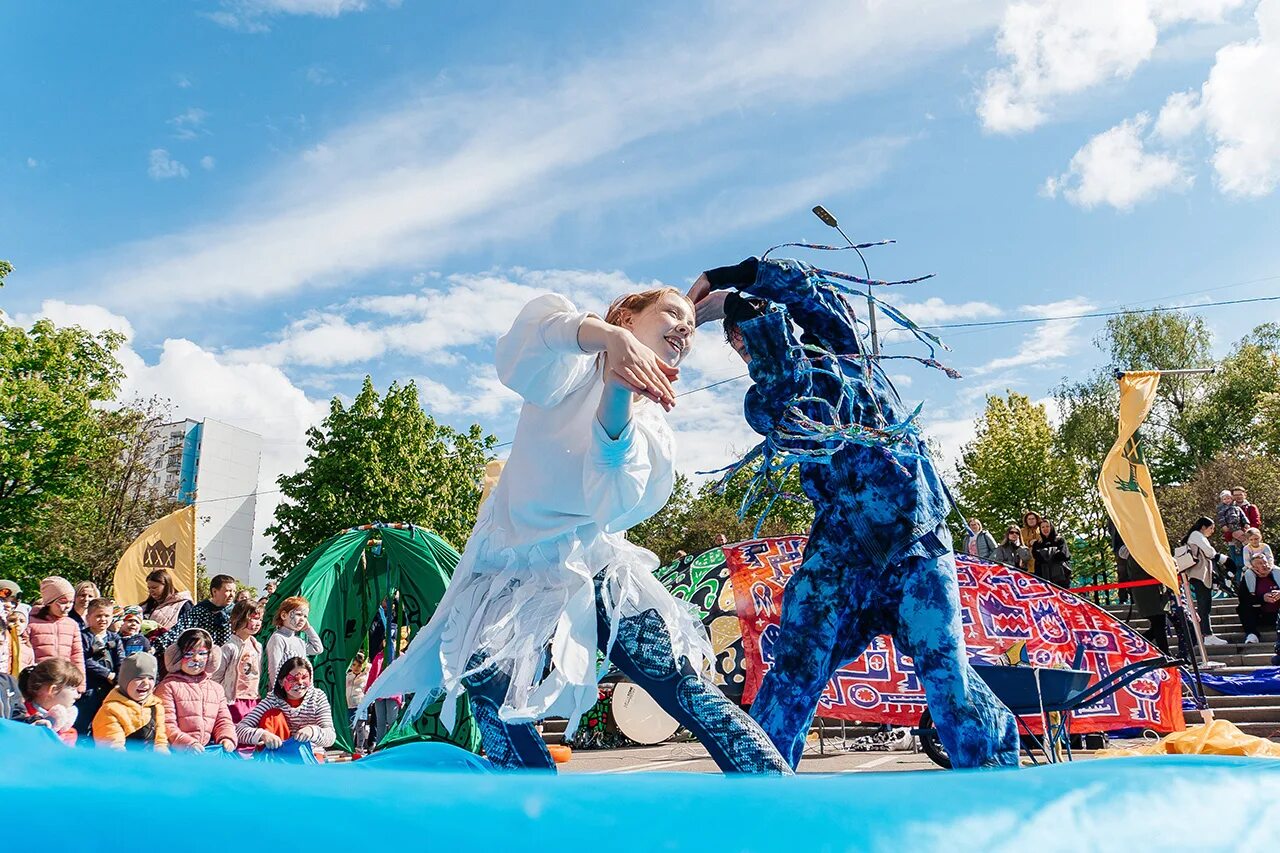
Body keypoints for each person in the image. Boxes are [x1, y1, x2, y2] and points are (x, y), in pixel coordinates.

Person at [359, 285, 791, 775]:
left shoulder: (652, 423)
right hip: (512, 569)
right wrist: (608, 340)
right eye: (672, 313)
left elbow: (611, 500)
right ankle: (533, 799)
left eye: (691, 327)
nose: (685, 329)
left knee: (678, 683)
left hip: (596, 569)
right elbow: (529, 342)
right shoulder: (570, 363)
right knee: (487, 686)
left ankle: (775, 788)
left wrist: (619, 392)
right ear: (626, 316)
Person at [689, 256, 1017, 770]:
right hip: (842, 554)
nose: (741, 348)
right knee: (796, 668)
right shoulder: (769, 402)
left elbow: (812, 293)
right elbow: (788, 389)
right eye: (736, 343)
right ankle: (762, 787)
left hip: (914, 542)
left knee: (946, 670)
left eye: (743, 338)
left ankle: (992, 774)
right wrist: (743, 314)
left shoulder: (846, 354)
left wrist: (733, 278)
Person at [237, 656, 336, 758]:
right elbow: (239, 730)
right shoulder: (272, 700)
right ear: (281, 682)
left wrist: (312, 731)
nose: (300, 683)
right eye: (292, 679)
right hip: (279, 755)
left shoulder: (318, 698)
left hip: (310, 754)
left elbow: (331, 736)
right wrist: (263, 735)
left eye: (304, 678)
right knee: (273, 715)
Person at [155, 628, 236, 752]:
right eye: (189, 653)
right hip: (176, 754)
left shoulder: (216, 689)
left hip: (205, 752)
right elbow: (165, 723)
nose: (196, 658)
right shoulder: (168, 686)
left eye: (202, 653)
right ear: (177, 656)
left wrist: (227, 737)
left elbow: (223, 720)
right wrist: (187, 743)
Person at [92, 652, 168, 752]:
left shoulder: (156, 707)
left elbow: (160, 742)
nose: (146, 683)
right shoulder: (110, 711)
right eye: (139, 678)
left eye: (150, 678)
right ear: (125, 681)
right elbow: (113, 748)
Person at [75, 597, 125, 736]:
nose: (103, 619)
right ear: (88, 617)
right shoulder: (83, 637)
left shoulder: (114, 638)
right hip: (89, 687)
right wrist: (107, 674)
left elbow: (121, 659)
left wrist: (119, 677)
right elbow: (85, 660)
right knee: (83, 723)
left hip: (110, 687)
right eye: (98, 616)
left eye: (107, 616)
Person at [154, 573, 237, 653]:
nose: (232, 595)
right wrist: (156, 646)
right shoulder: (200, 611)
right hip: (202, 656)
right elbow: (179, 629)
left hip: (231, 657)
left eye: (234, 591)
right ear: (214, 591)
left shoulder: (237, 612)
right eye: (228, 591)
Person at [1180, 516, 1231, 646]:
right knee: (1204, 604)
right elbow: (1210, 552)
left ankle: (1206, 634)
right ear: (1203, 527)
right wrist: (1223, 559)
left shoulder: (1193, 535)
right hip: (1200, 574)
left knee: (1204, 604)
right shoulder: (1197, 535)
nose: (1212, 531)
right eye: (1211, 528)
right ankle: (1207, 634)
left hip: (1199, 573)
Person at [26, 576, 85, 680]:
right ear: (49, 602)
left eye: (71, 602)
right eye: (63, 602)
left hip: (64, 680)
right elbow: (23, 656)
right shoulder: (30, 622)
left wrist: (80, 683)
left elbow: (77, 657)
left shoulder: (72, 625)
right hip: (37, 681)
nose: (68, 606)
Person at [216, 600, 264, 722]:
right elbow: (217, 677)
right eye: (254, 618)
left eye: (260, 619)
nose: (258, 623)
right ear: (239, 618)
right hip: (234, 700)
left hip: (253, 698)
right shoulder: (229, 647)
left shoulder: (257, 646)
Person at [18, 658, 83, 745]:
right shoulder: (22, 718)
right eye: (73, 689)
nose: (77, 695)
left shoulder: (67, 729)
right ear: (53, 690)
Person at [265, 596, 324, 688]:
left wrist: (308, 629)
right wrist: (278, 690)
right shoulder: (278, 638)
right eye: (299, 614)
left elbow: (318, 649)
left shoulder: (299, 641)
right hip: (285, 690)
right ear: (284, 615)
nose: (302, 619)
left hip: (301, 689)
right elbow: (274, 668)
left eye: (305, 616)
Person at [1237, 555, 1280, 647]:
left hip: (1277, 613)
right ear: (1253, 567)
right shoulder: (1248, 578)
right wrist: (1262, 598)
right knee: (1243, 608)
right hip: (1261, 614)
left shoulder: (1277, 573)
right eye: (1260, 564)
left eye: (1265, 562)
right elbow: (1243, 599)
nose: (1264, 565)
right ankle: (1252, 634)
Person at [141, 569, 193, 637]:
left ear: (166, 586)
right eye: (149, 588)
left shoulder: (183, 605)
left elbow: (188, 630)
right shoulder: (146, 606)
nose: (151, 591)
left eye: (154, 587)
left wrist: (162, 630)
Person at [1031, 521, 1071, 588]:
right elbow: (1037, 557)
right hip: (1042, 578)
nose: (1045, 529)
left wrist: (1044, 553)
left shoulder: (1060, 540)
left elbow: (1063, 555)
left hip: (1061, 578)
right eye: (1043, 527)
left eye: (1047, 526)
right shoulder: (1037, 544)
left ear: (1051, 527)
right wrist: (1053, 552)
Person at [5, 609, 34, 676]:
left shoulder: (27, 647)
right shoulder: (3, 644)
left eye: (22, 621)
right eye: (12, 620)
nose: (17, 624)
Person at [346, 651, 368, 725]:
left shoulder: (365, 676)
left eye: (359, 665)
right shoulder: (347, 676)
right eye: (354, 665)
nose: (356, 667)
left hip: (360, 706)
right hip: (349, 706)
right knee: (350, 727)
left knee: (360, 726)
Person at [1019, 511, 1043, 576]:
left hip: (1039, 563)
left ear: (1036, 519)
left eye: (1033, 519)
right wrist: (1029, 542)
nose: (1031, 520)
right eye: (1029, 519)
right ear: (1026, 521)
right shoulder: (1021, 531)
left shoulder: (1041, 529)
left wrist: (1037, 542)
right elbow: (1018, 544)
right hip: (1025, 564)